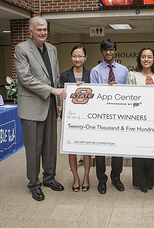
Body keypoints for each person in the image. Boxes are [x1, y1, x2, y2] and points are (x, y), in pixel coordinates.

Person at [14, 16, 67, 201]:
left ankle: (49, 178)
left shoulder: (52, 49)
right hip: (32, 107)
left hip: (51, 106)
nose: (43, 32)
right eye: (39, 30)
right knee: (34, 149)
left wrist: (58, 103)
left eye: (45, 29)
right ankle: (34, 183)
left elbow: (56, 77)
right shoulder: (21, 49)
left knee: (50, 146)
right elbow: (25, 78)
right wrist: (52, 91)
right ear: (31, 31)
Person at [90, 38, 129, 194]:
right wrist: (107, 89)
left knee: (117, 149)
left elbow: (128, 93)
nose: (108, 52)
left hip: (118, 115)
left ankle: (116, 178)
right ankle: (101, 180)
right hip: (101, 116)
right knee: (100, 150)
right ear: (102, 52)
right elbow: (93, 95)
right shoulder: (95, 71)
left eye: (111, 49)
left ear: (115, 50)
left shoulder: (124, 70)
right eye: (105, 50)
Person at [128, 47, 154, 193]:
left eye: (149, 57)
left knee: (151, 149)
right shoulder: (133, 75)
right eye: (143, 57)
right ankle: (140, 181)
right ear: (139, 59)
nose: (146, 59)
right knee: (138, 150)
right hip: (138, 118)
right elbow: (130, 96)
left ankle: (150, 180)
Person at [60, 45, 91, 192]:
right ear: (71, 57)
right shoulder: (64, 76)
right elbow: (62, 96)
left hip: (86, 117)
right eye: (74, 56)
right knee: (71, 148)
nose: (77, 59)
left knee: (86, 149)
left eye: (80, 56)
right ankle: (76, 178)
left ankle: (86, 177)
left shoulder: (91, 75)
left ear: (85, 57)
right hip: (70, 118)